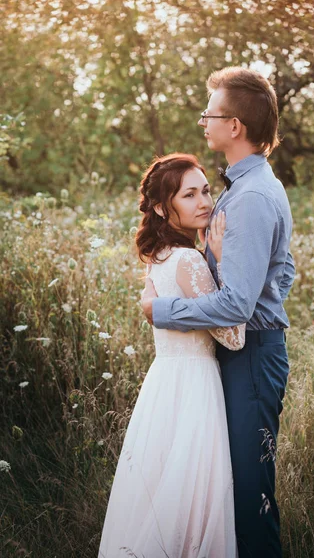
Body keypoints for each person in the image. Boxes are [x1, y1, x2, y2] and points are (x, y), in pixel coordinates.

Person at [142, 67, 295, 558]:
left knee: (251, 498)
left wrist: (160, 309)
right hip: (251, 351)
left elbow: (236, 305)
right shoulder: (250, 187)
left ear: (235, 127)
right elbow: (282, 269)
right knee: (231, 492)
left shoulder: (249, 196)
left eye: (210, 111)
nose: (203, 120)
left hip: (250, 353)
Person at [98, 153, 246, 558]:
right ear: (164, 208)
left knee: (160, 487)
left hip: (163, 385)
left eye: (206, 190)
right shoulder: (189, 259)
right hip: (195, 388)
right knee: (193, 497)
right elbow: (233, 337)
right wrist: (223, 260)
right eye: (189, 195)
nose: (204, 202)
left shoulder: (157, 258)